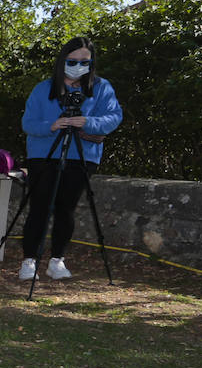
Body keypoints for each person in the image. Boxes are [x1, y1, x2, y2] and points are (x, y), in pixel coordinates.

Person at [17, 37, 123, 281]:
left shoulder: (101, 87)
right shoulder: (44, 88)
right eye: (72, 61)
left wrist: (88, 122)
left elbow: (114, 117)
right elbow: (28, 123)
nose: (78, 65)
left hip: (82, 156)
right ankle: (29, 261)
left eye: (84, 61)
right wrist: (52, 126)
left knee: (66, 208)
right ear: (62, 60)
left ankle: (57, 260)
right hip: (44, 154)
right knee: (39, 207)